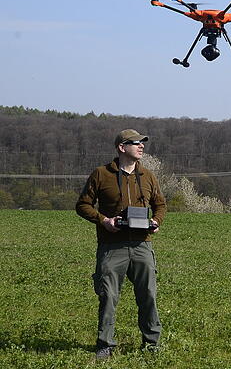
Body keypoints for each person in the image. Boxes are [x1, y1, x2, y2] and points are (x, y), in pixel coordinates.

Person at [75, 129, 167, 360]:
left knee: (148, 294)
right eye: (136, 143)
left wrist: (156, 221)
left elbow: (161, 205)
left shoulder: (148, 176)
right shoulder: (101, 174)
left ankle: (152, 344)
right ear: (121, 147)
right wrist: (104, 221)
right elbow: (83, 205)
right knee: (108, 295)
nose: (141, 146)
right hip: (111, 246)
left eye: (142, 143)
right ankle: (105, 344)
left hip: (142, 245)